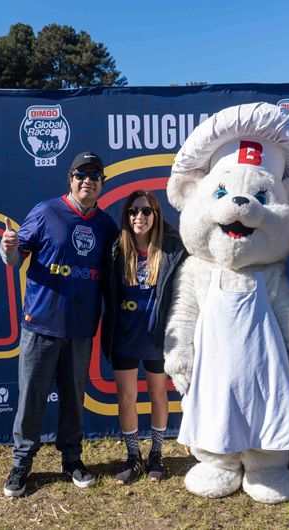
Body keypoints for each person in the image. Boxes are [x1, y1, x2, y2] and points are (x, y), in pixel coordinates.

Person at [0, 151, 118, 497]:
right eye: (81, 175)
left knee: (73, 400)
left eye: (95, 176)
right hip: (41, 326)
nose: (88, 181)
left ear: (101, 183)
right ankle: (22, 463)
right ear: (70, 179)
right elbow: (14, 257)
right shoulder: (46, 211)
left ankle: (72, 459)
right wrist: (7, 247)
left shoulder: (106, 226)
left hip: (81, 329)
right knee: (32, 399)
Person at [100, 190, 186, 484]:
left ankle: (157, 454)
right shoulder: (116, 249)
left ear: (156, 215)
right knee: (126, 398)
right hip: (124, 335)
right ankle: (134, 456)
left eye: (146, 211)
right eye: (133, 211)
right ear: (127, 216)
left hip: (158, 338)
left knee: (157, 394)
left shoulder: (173, 248)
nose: (139, 217)